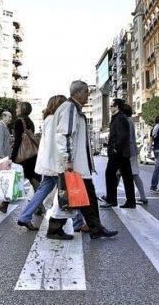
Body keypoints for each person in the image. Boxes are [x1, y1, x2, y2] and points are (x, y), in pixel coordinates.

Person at [47, 80, 118, 240]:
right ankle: (92, 228)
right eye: (86, 92)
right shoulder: (70, 108)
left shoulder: (72, 108)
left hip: (78, 165)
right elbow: (64, 135)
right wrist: (68, 160)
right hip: (75, 165)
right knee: (81, 197)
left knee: (81, 198)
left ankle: (92, 228)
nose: (88, 95)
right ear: (77, 93)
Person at [16, 95, 87, 234]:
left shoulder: (48, 119)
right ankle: (78, 222)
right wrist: (67, 159)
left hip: (48, 162)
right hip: (57, 162)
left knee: (44, 190)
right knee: (69, 190)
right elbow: (60, 141)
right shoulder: (56, 119)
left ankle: (24, 217)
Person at [0, 102, 38, 212]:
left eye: (18, 107)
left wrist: (12, 158)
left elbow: (18, 140)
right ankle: (39, 206)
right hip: (32, 155)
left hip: (22, 156)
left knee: (13, 179)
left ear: (22, 109)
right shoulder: (30, 121)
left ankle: (4, 205)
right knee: (33, 180)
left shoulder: (19, 121)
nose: (16, 109)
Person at [100, 99, 136, 209]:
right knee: (127, 177)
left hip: (118, 153)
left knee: (110, 174)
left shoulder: (120, 118)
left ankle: (111, 200)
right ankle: (130, 202)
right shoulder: (118, 117)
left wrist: (115, 149)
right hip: (122, 153)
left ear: (117, 106)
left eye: (111, 105)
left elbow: (122, 136)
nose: (110, 107)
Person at [121, 103, 147, 204]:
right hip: (133, 151)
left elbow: (127, 139)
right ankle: (143, 196)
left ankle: (110, 196)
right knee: (135, 174)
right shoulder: (130, 122)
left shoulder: (126, 122)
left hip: (128, 152)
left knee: (118, 174)